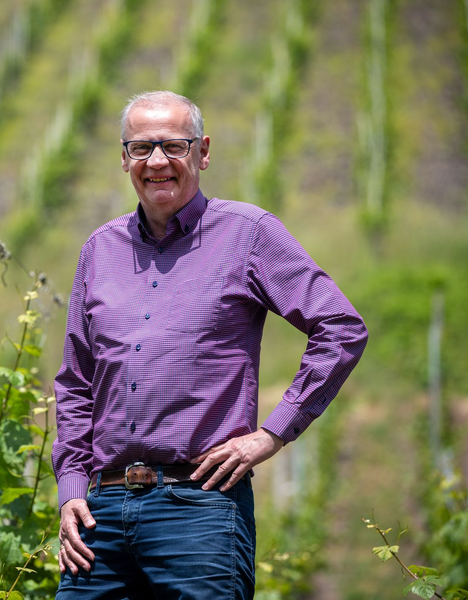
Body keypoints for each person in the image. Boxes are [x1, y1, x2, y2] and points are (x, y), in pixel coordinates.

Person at [51, 90, 368, 599]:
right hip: (99, 517)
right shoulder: (99, 250)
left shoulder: (249, 233)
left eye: (173, 146)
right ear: (124, 157)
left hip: (200, 511)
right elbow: (76, 383)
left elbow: (341, 328)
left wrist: (271, 435)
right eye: (141, 148)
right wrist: (69, 492)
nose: (157, 161)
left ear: (202, 152)